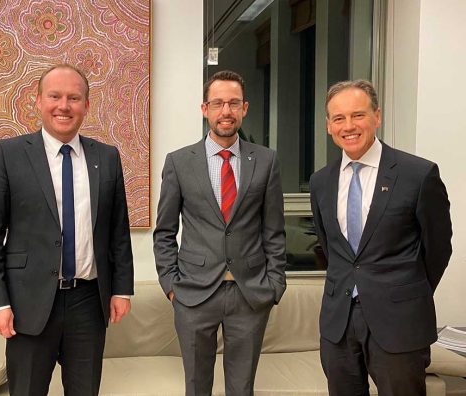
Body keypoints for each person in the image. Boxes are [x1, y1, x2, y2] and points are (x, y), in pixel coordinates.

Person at [0, 64, 134, 395]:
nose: (64, 106)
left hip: (89, 302)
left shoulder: (107, 157)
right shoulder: (9, 154)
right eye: (55, 96)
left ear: (86, 105)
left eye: (74, 97)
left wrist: (121, 289)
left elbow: (118, 231)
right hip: (27, 304)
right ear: (38, 101)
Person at [309, 79, 452, 395]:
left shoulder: (418, 174)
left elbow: (438, 247)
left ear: (377, 116)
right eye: (339, 118)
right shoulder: (321, 182)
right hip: (339, 323)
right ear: (329, 126)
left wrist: (405, 291)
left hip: (399, 321)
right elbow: (333, 248)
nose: (349, 126)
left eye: (358, 115)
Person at [153, 70, 286, 396]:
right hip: (194, 294)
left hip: (250, 294)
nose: (226, 111)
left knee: (242, 389)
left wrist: (274, 286)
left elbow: (274, 231)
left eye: (233, 103)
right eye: (218, 103)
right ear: (205, 109)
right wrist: (172, 287)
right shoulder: (179, 162)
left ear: (244, 108)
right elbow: (165, 232)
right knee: (197, 387)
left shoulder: (266, 161)